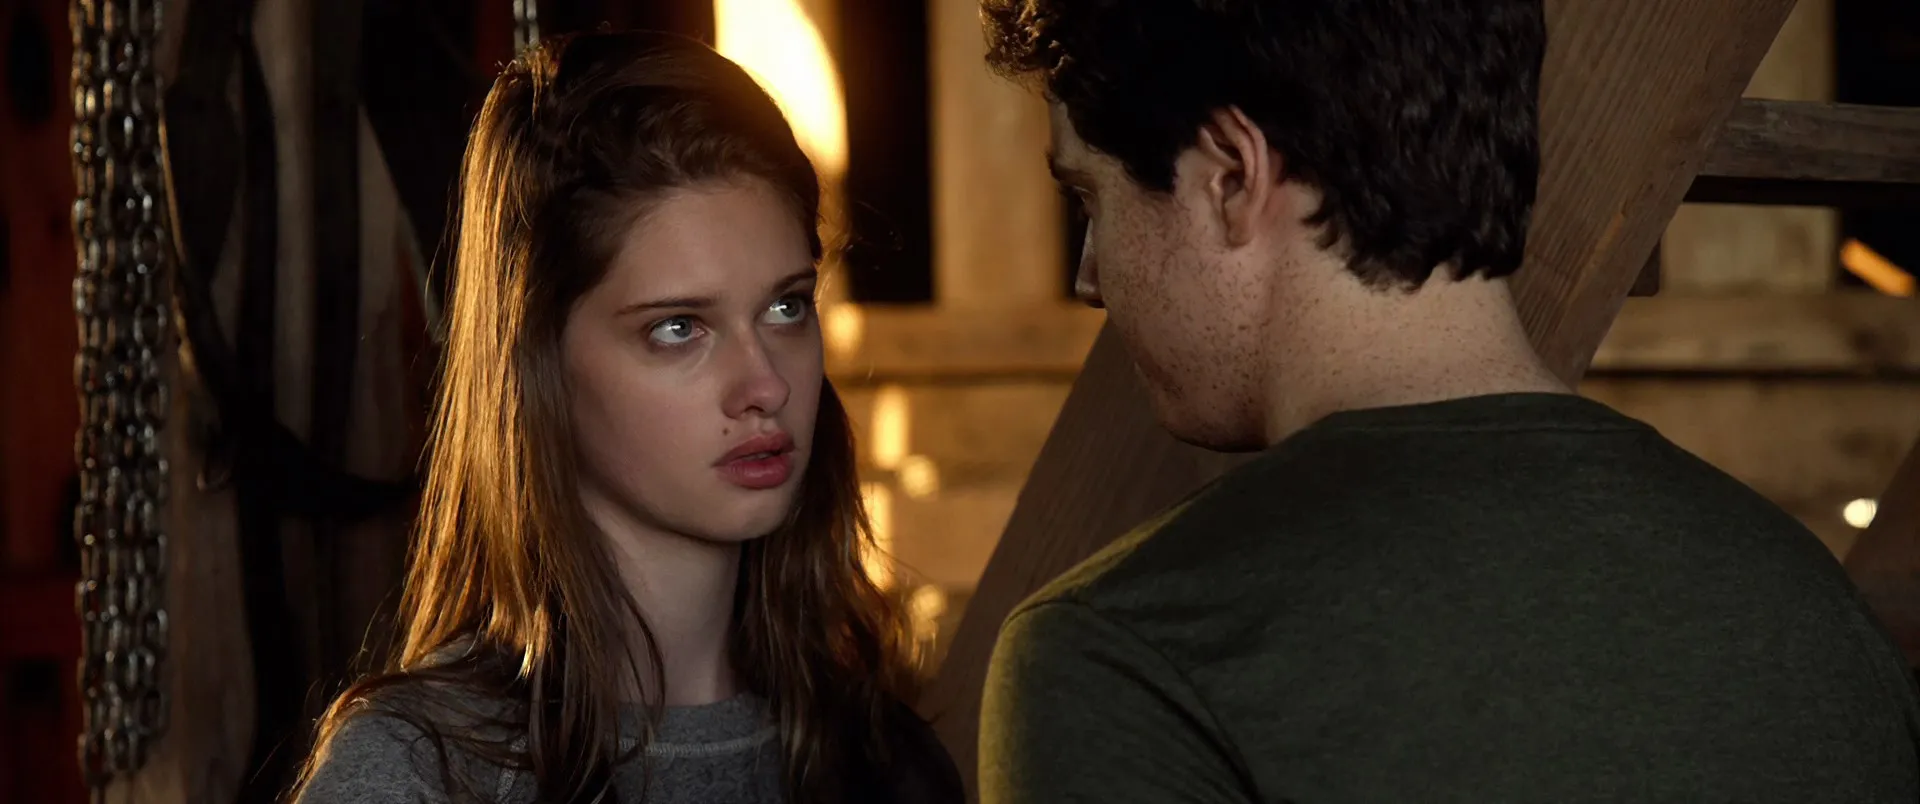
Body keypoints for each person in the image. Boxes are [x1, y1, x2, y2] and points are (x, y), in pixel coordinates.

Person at [975, 1, 1920, 802]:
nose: (1090, 277)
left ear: (1230, 172)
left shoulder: (1123, 653)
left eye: (1090, 199)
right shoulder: (1809, 604)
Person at [290, 30, 962, 804]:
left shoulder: (887, 764)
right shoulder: (419, 774)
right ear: (539, 358)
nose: (765, 384)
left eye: (786, 308)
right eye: (678, 328)